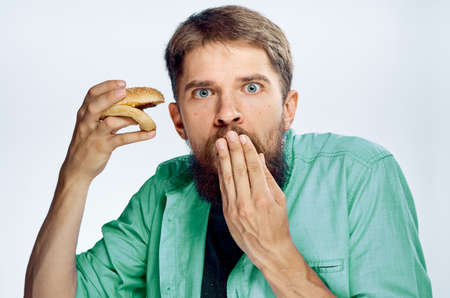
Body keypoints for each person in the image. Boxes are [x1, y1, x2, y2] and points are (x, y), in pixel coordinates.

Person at [24, 5, 432, 298]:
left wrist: (276, 253)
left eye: (251, 87)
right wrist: (74, 176)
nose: (227, 113)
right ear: (178, 120)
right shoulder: (163, 194)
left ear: (288, 109)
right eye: (204, 92)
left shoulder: (362, 174)